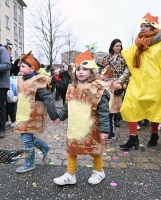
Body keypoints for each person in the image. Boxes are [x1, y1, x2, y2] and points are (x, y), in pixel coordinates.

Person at [114, 12, 161, 150]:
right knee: (129, 107)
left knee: (153, 111)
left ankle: (154, 134)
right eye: (141, 26)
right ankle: (133, 138)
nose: (142, 28)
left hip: (155, 84)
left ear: (153, 28)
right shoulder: (136, 47)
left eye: (146, 26)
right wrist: (120, 81)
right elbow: (130, 68)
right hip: (136, 83)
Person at [53, 50, 110, 185]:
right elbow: (68, 105)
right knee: (72, 148)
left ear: (91, 71)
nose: (81, 71)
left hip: (92, 125)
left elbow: (103, 110)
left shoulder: (97, 88)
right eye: (78, 69)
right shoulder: (72, 87)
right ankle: (70, 174)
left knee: (94, 148)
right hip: (75, 125)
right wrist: (60, 117)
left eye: (85, 69)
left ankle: (99, 171)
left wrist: (104, 130)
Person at [14, 51, 59, 173]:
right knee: (26, 137)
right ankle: (44, 147)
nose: (20, 67)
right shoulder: (22, 79)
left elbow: (48, 98)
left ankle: (29, 164)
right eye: (20, 65)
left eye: (23, 66)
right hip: (23, 115)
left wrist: (54, 116)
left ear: (32, 68)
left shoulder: (37, 82)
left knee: (27, 139)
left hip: (32, 116)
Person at [102, 39, 128, 128]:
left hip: (119, 82)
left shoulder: (124, 57)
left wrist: (125, 82)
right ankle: (109, 120)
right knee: (109, 102)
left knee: (118, 101)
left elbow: (127, 71)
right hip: (108, 82)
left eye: (120, 46)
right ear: (112, 46)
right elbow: (103, 71)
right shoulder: (106, 57)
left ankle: (117, 118)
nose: (118, 48)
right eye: (116, 46)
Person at [100, 65, 120, 140]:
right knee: (106, 119)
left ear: (106, 75)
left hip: (110, 104)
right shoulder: (105, 81)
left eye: (102, 74)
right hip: (106, 104)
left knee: (110, 119)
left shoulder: (112, 82)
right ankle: (107, 132)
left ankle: (111, 133)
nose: (100, 75)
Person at [4, 45, 17, 128]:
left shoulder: (10, 60)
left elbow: (14, 71)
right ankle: (11, 120)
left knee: (10, 102)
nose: (11, 52)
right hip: (8, 83)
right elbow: (12, 70)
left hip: (11, 82)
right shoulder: (6, 60)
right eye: (9, 50)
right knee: (10, 102)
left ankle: (9, 120)